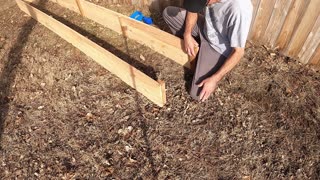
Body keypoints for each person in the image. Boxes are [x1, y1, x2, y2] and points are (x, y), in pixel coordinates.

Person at [162, 0, 253, 102]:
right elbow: (193, 10)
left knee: (197, 94)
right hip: (206, 28)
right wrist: (187, 34)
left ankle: (207, 59)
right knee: (168, 13)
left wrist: (214, 79)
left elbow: (239, 52)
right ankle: (196, 47)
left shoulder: (239, 9)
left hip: (218, 48)